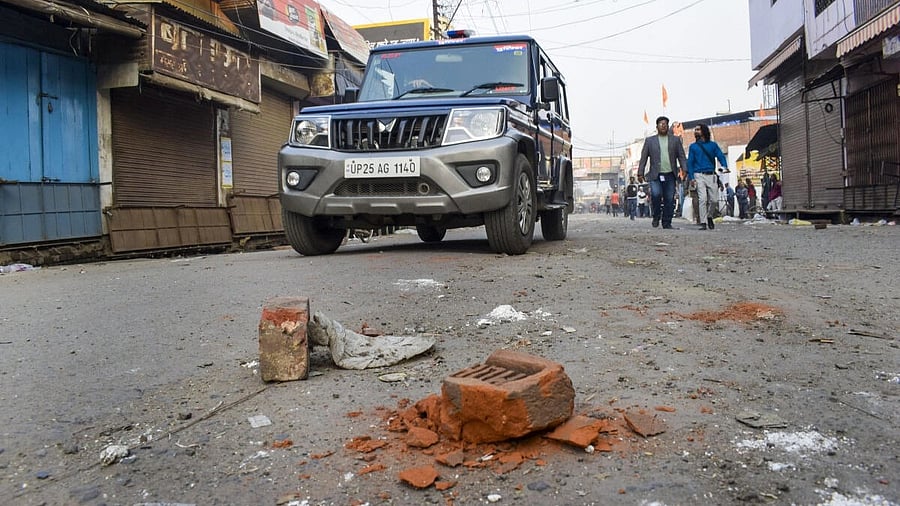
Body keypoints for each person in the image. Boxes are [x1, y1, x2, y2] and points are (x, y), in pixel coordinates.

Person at [637, 116, 687, 229]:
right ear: (657, 127)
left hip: (670, 174)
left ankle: (667, 222)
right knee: (656, 195)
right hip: (655, 175)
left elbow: (682, 156)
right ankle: (656, 216)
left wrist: (684, 169)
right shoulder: (650, 141)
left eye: (665, 124)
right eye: (661, 124)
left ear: (668, 126)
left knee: (669, 199)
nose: (663, 125)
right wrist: (640, 173)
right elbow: (643, 158)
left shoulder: (675, 140)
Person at [686, 124, 727, 230]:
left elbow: (720, 156)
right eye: (695, 130)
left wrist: (724, 166)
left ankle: (709, 216)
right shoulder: (693, 147)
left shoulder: (713, 145)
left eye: (698, 129)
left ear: (704, 131)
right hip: (698, 175)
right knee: (702, 199)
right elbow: (690, 162)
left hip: (711, 174)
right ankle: (703, 222)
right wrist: (691, 177)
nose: (696, 131)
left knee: (714, 200)